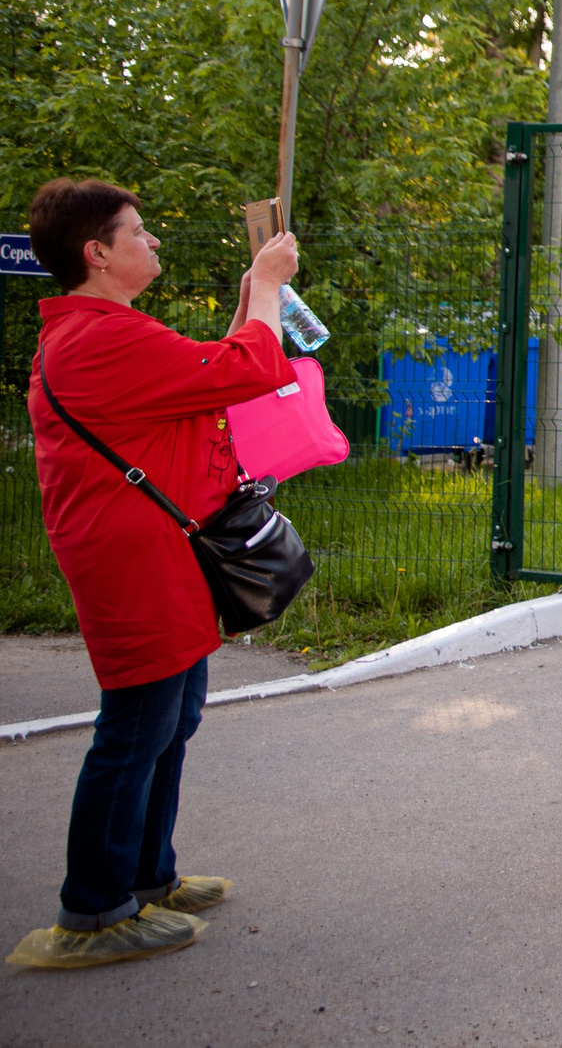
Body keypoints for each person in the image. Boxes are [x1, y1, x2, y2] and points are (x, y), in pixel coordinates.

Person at [11, 181, 299, 970]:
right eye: (139, 233)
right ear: (96, 253)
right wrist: (267, 288)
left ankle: (146, 876)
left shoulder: (106, 328)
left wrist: (251, 292)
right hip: (135, 561)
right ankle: (94, 910)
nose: (154, 243)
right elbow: (250, 369)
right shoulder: (94, 339)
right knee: (136, 726)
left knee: (172, 717)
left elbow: (212, 370)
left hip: (162, 551)